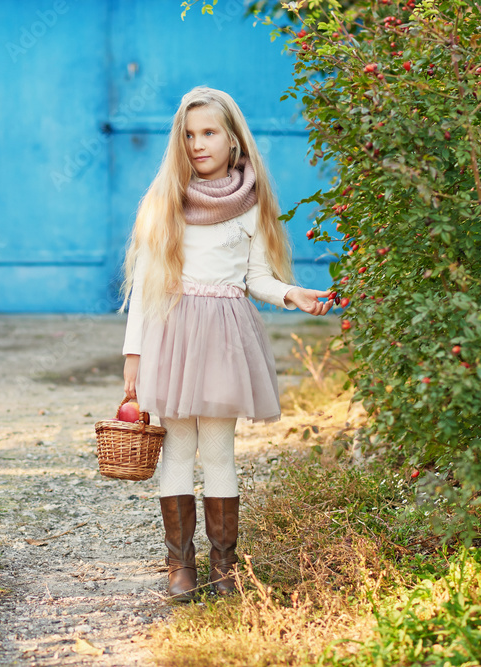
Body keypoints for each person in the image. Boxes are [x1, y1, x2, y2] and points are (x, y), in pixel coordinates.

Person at [120, 87, 333, 601]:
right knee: (178, 449)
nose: (198, 143)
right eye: (189, 135)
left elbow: (256, 277)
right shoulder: (166, 200)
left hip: (223, 338)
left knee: (218, 451)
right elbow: (147, 286)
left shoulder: (251, 203)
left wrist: (291, 294)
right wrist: (134, 356)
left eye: (209, 132)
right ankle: (180, 567)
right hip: (171, 333)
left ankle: (223, 565)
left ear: (234, 139)